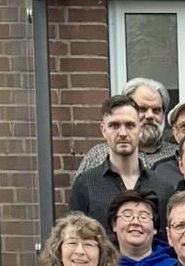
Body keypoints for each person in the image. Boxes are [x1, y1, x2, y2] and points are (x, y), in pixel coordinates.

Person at [68, 95, 176, 242]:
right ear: (103, 130)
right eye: (114, 126)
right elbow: (75, 239)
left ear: (140, 129)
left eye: (130, 125)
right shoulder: (86, 184)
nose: (123, 133)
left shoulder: (163, 188)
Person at [73, 78, 175, 178]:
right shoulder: (97, 156)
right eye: (142, 109)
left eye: (156, 110)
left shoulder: (176, 155)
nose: (150, 116)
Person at [109, 191, 175, 266]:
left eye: (144, 216)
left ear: (155, 228)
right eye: (127, 215)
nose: (135, 222)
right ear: (114, 224)